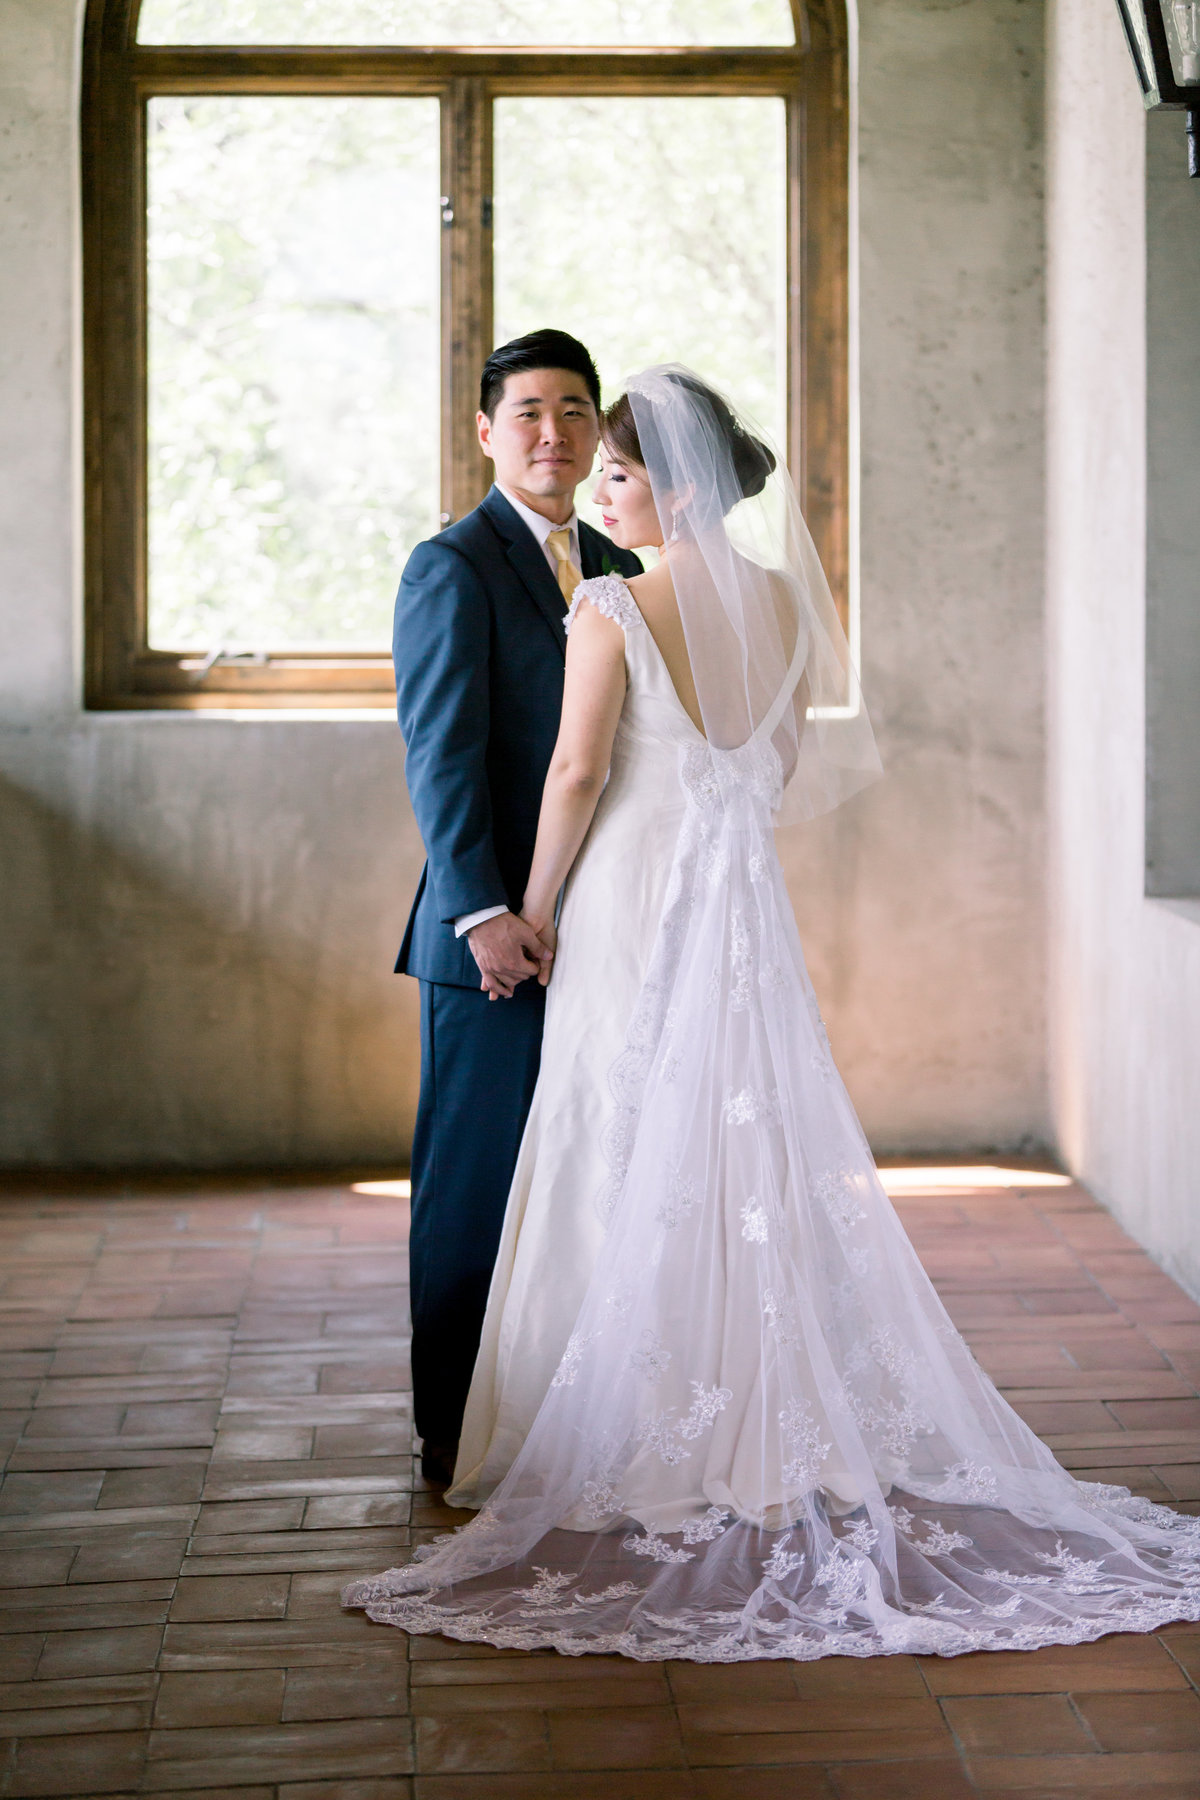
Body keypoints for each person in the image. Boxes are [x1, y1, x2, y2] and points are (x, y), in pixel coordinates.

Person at [348, 368, 1200, 1662]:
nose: (601, 488)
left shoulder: (611, 603)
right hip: (741, 899)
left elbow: (576, 772)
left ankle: (613, 1431)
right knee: (742, 1146)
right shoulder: (790, 605)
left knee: (616, 1132)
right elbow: (783, 764)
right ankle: (752, 1419)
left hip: (633, 890)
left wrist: (533, 901)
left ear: (672, 486)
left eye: (620, 472)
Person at [392, 328, 641, 1486]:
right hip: (490, 937)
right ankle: (451, 1430)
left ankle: (564, 1418)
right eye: (530, 412)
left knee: (588, 1176)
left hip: (609, 927)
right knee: (476, 1183)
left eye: (576, 412)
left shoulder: (621, 567)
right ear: (487, 430)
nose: (555, 434)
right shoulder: (450, 564)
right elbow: (441, 757)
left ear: (598, 435)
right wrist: (483, 911)